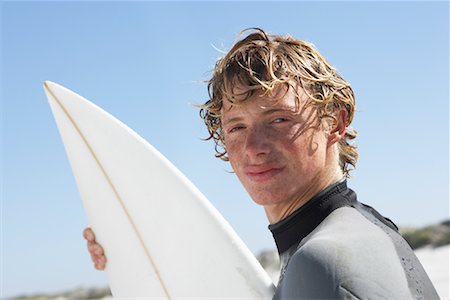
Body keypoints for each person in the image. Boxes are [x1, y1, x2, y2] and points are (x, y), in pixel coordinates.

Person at [83, 28, 439, 299]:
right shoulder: (366, 229)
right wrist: (134, 259)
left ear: (337, 122)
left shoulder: (323, 261)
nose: (253, 148)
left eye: (279, 120)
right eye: (236, 127)